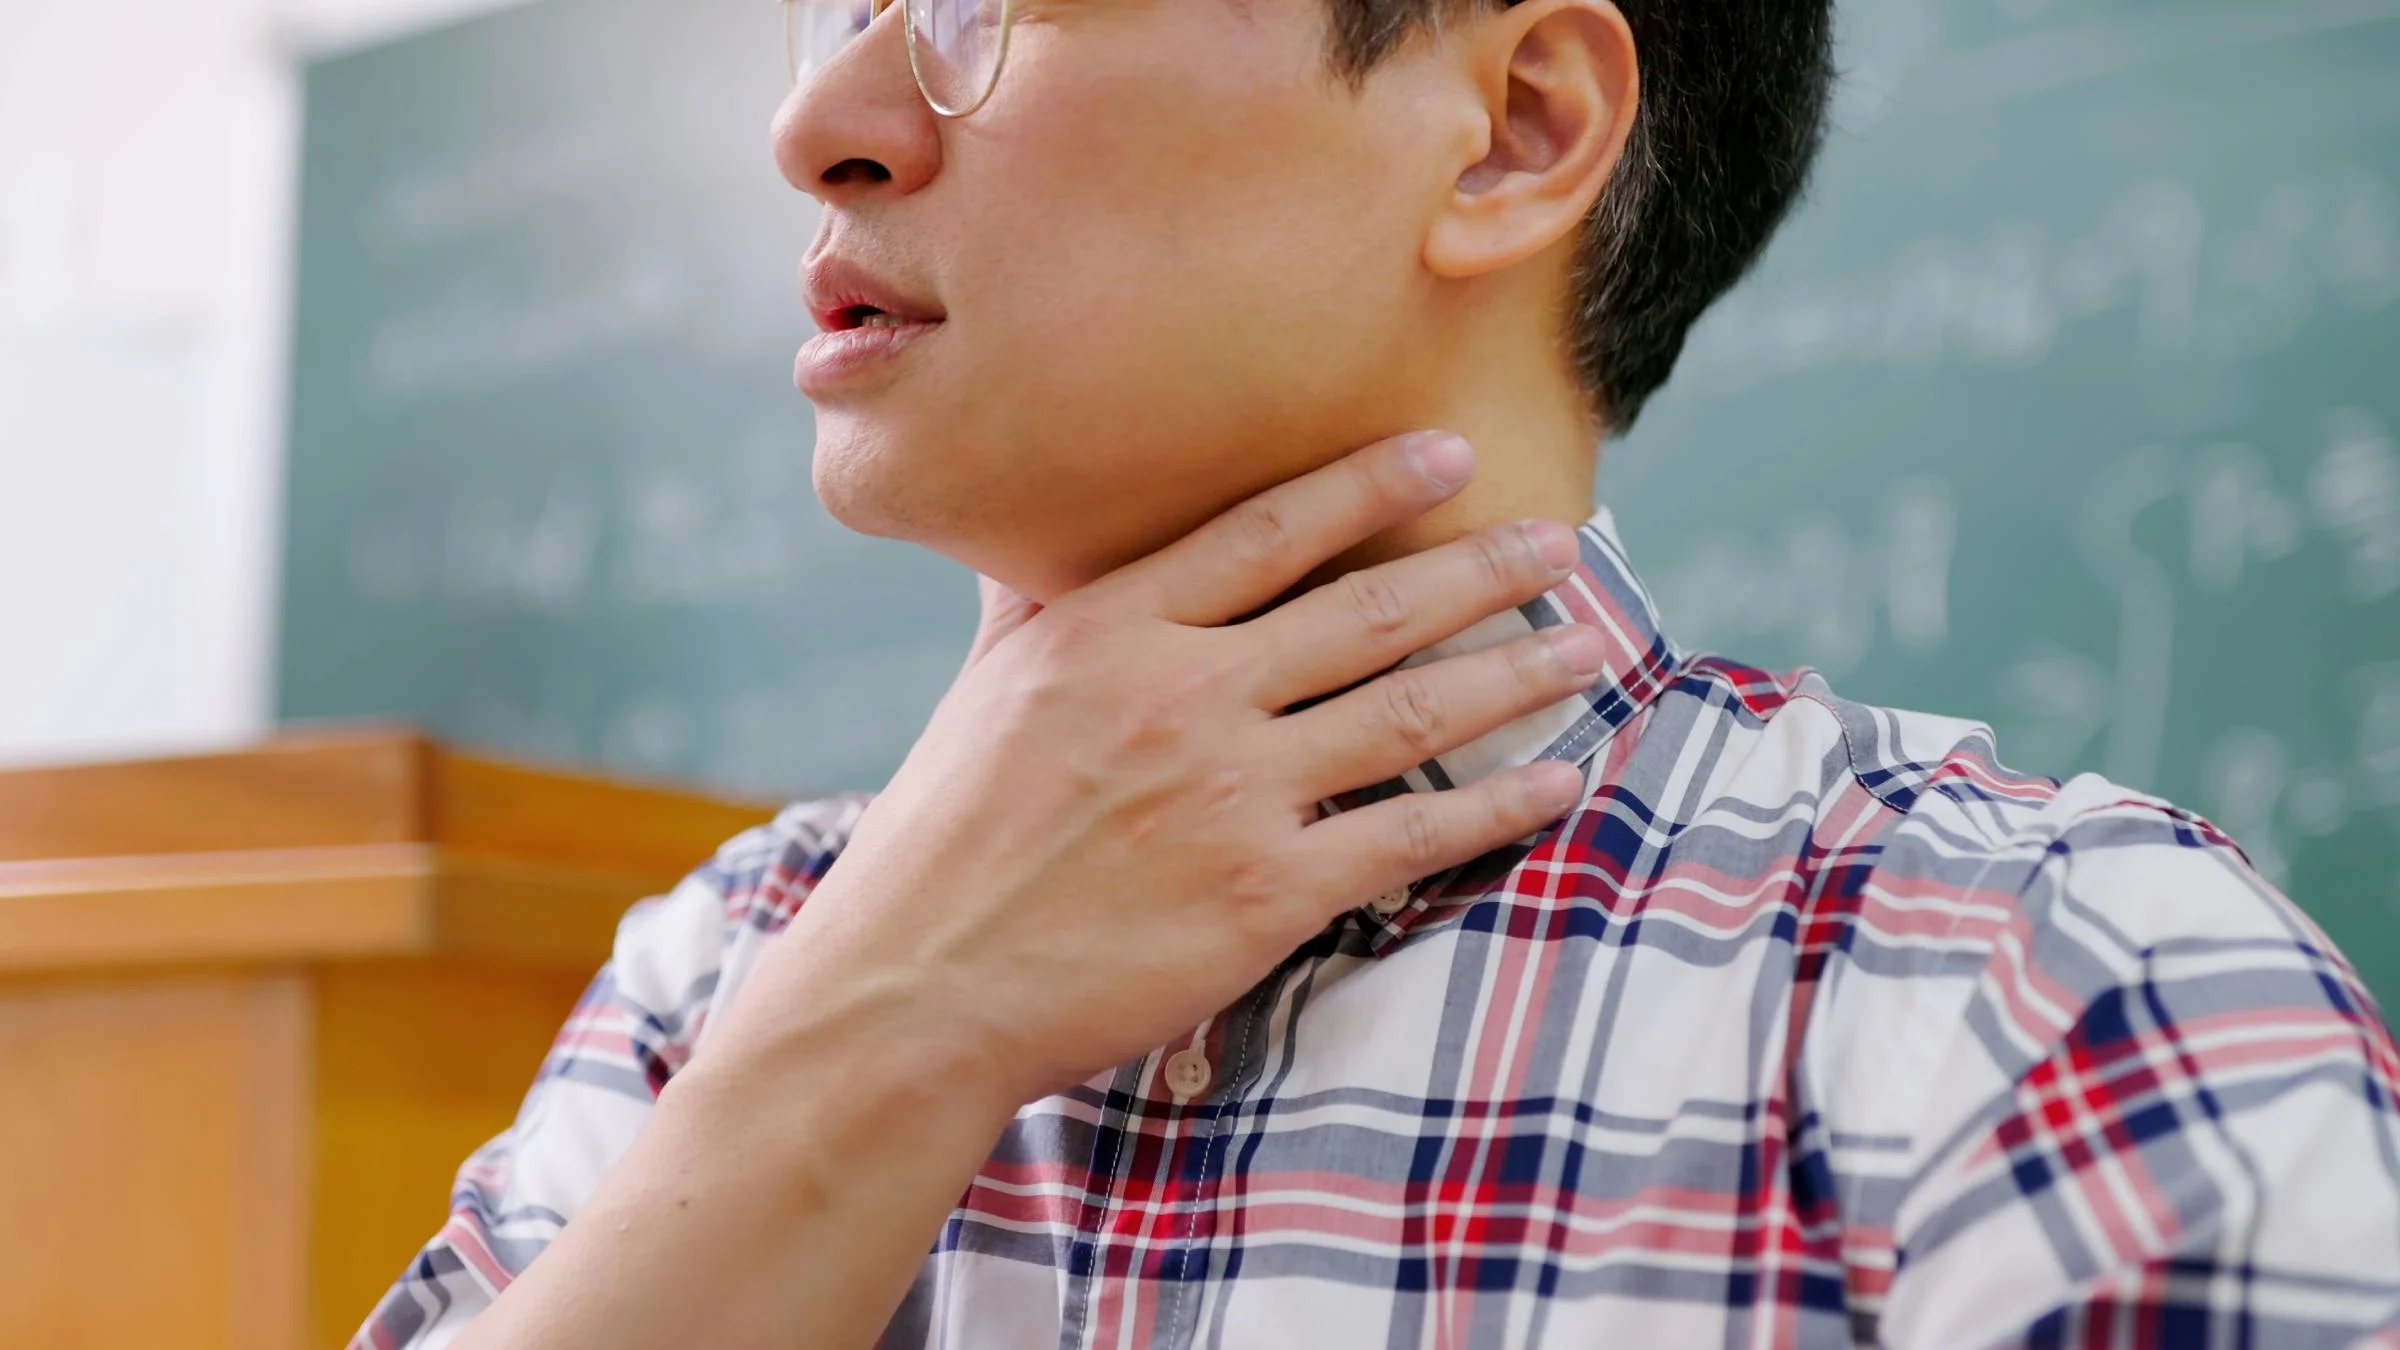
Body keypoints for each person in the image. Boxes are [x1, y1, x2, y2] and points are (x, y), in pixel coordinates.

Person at [356, 0, 2400, 1342]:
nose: (821, 121)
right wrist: (882, 1034)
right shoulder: (724, 976)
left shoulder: (2042, 991)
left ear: (1515, 130)